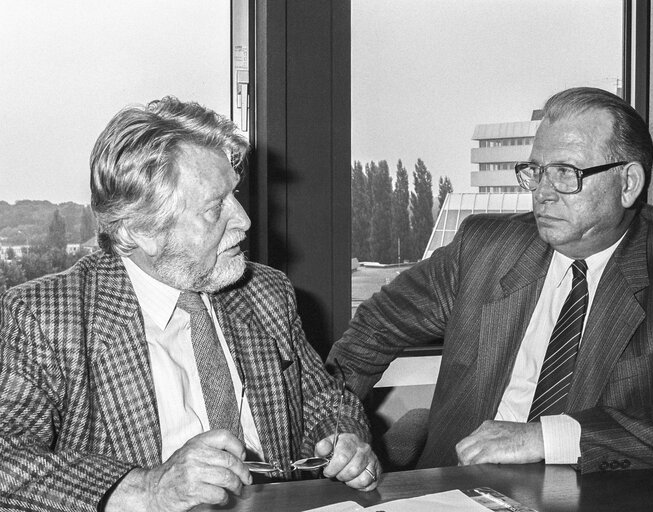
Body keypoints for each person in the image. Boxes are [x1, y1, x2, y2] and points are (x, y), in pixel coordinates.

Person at [329, 87, 653, 473]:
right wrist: (334, 427)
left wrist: (544, 438)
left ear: (628, 184)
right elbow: (373, 329)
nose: (543, 192)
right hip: (455, 490)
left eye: (566, 173)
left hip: (588, 492)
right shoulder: (483, 249)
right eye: (536, 170)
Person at [0, 97, 380, 512]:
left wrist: (342, 439)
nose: (243, 221)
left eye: (233, 195)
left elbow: (326, 399)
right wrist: (146, 490)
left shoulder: (266, 292)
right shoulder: (46, 316)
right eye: (215, 207)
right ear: (139, 230)